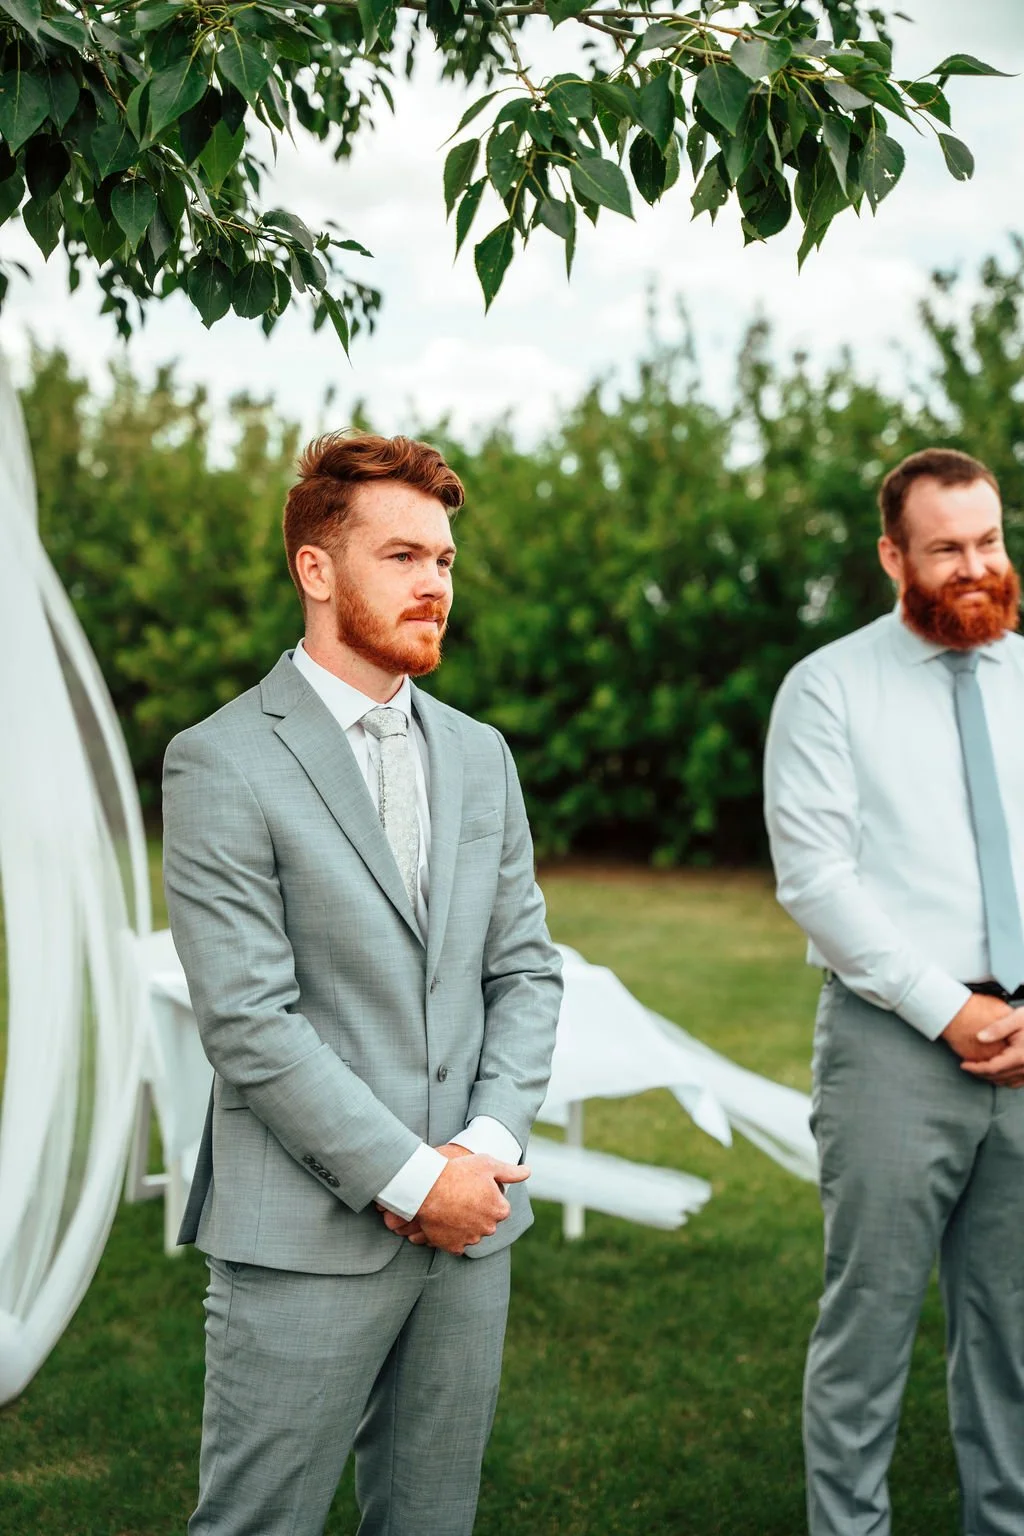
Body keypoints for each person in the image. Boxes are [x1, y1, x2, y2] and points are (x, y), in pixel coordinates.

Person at [162, 431, 563, 1536]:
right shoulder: (221, 758)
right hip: (301, 1239)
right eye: (401, 556)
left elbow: (525, 970)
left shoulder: (482, 753)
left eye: (443, 558)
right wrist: (406, 1177)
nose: (435, 582)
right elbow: (249, 1022)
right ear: (316, 569)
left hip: (474, 1229)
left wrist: (479, 1153)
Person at [763, 447, 1024, 1536]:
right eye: (945, 549)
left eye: (989, 540)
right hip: (891, 1051)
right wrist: (949, 1009)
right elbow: (816, 879)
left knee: (1012, 1337)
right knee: (866, 1332)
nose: (974, 567)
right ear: (891, 556)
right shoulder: (827, 687)